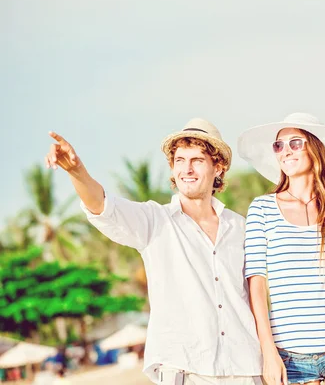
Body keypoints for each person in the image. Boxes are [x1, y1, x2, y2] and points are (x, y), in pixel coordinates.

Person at [44, 119, 262, 384]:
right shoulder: (154, 220)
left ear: (219, 167)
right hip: (183, 368)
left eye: (197, 160)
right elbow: (102, 207)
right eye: (180, 160)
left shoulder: (240, 227)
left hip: (246, 368)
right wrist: (77, 171)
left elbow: (255, 297)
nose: (187, 169)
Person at [238, 113, 325, 385]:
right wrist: (268, 351)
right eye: (279, 145)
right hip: (289, 357)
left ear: (315, 148)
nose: (285, 151)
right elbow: (256, 286)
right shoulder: (262, 209)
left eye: (295, 143)